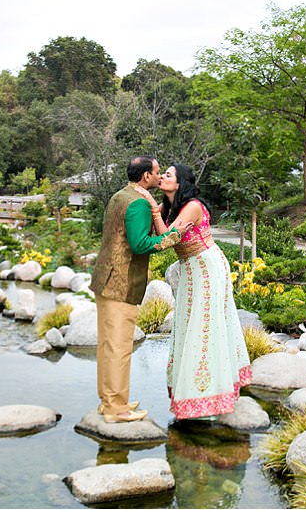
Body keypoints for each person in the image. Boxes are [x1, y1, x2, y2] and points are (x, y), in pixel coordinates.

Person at [139, 163, 252, 420]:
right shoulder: (169, 207)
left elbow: (168, 239)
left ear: (180, 183)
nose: (163, 177)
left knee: (204, 325)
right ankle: (196, 392)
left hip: (207, 266)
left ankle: (211, 394)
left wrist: (152, 209)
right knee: (189, 324)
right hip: (190, 268)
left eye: (168, 175)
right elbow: (155, 234)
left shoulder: (192, 206)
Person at [91, 156, 187, 423]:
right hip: (120, 284)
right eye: (157, 172)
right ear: (146, 176)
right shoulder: (138, 204)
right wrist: (171, 238)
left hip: (105, 279)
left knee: (108, 345)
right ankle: (116, 409)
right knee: (119, 347)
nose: (159, 177)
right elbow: (140, 244)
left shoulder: (121, 195)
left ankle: (109, 400)